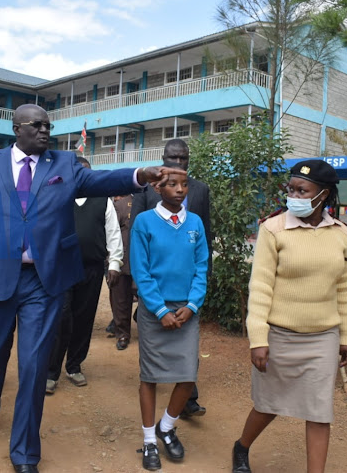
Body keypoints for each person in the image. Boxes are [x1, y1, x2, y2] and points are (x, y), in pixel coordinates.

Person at [0, 104, 182, 473]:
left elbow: (103, 180)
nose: (44, 131)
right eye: (36, 126)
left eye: (47, 126)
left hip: (44, 280)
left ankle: (24, 454)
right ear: (16, 128)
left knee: (35, 365)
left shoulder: (65, 164)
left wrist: (140, 174)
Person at [232, 160, 347, 473]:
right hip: (280, 335)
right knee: (268, 405)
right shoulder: (273, 229)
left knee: (319, 411)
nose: (294, 195)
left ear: (323, 194)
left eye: (302, 190)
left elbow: (342, 289)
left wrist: (345, 336)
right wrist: (258, 339)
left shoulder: (340, 233)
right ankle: (241, 446)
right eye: (291, 188)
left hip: (323, 337)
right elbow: (259, 288)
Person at [130, 167, 208, 471]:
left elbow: (202, 266)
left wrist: (192, 304)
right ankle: (150, 440)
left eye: (184, 185)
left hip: (187, 310)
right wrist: (160, 310)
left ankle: (166, 426)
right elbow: (141, 269)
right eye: (172, 185)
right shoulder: (144, 222)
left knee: (188, 375)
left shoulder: (195, 223)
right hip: (155, 311)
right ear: (158, 190)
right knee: (150, 377)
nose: (180, 189)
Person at [46, 156, 123, 394]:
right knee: (61, 317)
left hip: (91, 268)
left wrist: (115, 264)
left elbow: (113, 233)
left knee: (84, 317)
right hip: (62, 268)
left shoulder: (103, 201)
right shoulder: (58, 198)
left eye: (85, 173)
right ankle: (51, 371)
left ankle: (74, 365)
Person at [109, 193, 135, 350]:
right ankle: (123, 333)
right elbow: (112, 233)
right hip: (123, 259)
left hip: (145, 260)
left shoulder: (154, 204)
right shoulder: (120, 205)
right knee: (120, 298)